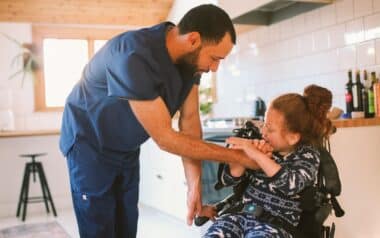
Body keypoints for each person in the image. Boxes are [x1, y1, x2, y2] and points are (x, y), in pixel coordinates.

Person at [59, 4, 265, 238]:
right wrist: (239, 157)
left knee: (126, 226)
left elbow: (189, 122)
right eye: (215, 58)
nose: (215, 68)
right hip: (89, 144)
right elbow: (166, 139)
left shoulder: (189, 63)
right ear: (194, 40)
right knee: (100, 229)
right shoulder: (133, 56)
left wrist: (194, 186)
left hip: (125, 146)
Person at [203, 85, 333, 238]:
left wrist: (258, 156)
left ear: (293, 137)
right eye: (264, 124)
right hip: (238, 216)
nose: (263, 132)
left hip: (275, 225)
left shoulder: (307, 155)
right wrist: (239, 159)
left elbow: (291, 185)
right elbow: (229, 180)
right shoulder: (261, 146)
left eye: (270, 129)